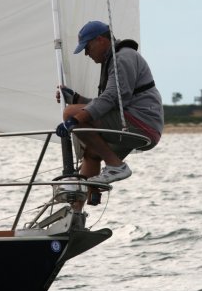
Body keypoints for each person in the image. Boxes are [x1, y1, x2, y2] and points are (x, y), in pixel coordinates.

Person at [55, 20, 164, 185]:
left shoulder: (122, 57)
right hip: (139, 123)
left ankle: (116, 166)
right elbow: (111, 101)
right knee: (92, 154)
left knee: (70, 112)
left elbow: (112, 98)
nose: (86, 54)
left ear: (100, 40)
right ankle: (80, 205)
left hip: (141, 123)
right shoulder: (114, 59)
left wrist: (73, 120)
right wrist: (75, 99)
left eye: (87, 48)